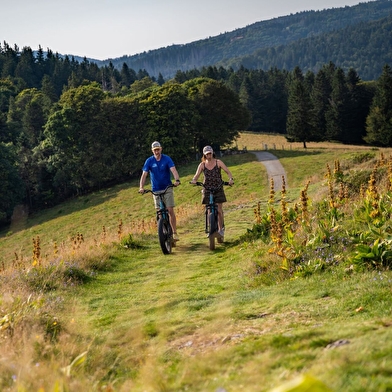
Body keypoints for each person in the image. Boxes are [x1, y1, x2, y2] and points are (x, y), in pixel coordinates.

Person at [139, 141, 181, 241]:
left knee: (170, 210)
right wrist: (141, 187)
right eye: (155, 150)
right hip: (156, 190)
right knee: (159, 212)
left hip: (167, 188)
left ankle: (174, 232)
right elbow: (144, 175)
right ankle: (162, 230)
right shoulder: (149, 161)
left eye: (158, 149)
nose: (156, 152)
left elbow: (173, 170)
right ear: (152, 151)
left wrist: (177, 180)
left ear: (161, 149)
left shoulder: (167, 158)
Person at [190, 145, 234, 237]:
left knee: (219, 210)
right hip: (207, 189)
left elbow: (227, 171)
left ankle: (220, 229)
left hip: (218, 188)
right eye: (207, 154)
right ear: (204, 155)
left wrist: (230, 179)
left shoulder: (218, 162)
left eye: (210, 153)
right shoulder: (202, 165)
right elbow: (197, 175)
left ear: (212, 153)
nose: (209, 155)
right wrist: (194, 180)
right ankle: (210, 229)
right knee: (209, 210)